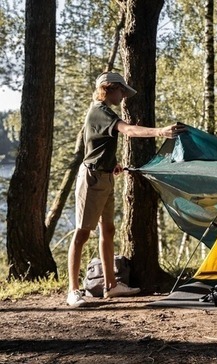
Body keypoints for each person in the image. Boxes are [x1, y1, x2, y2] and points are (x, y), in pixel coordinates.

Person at [66, 71, 187, 308]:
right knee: (82, 233)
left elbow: (97, 145)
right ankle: (73, 291)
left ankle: (111, 286)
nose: (123, 96)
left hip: (106, 176)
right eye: (121, 90)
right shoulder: (99, 111)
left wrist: (113, 164)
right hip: (91, 181)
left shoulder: (105, 112)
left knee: (108, 230)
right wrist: (161, 131)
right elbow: (129, 131)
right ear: (109, 88)